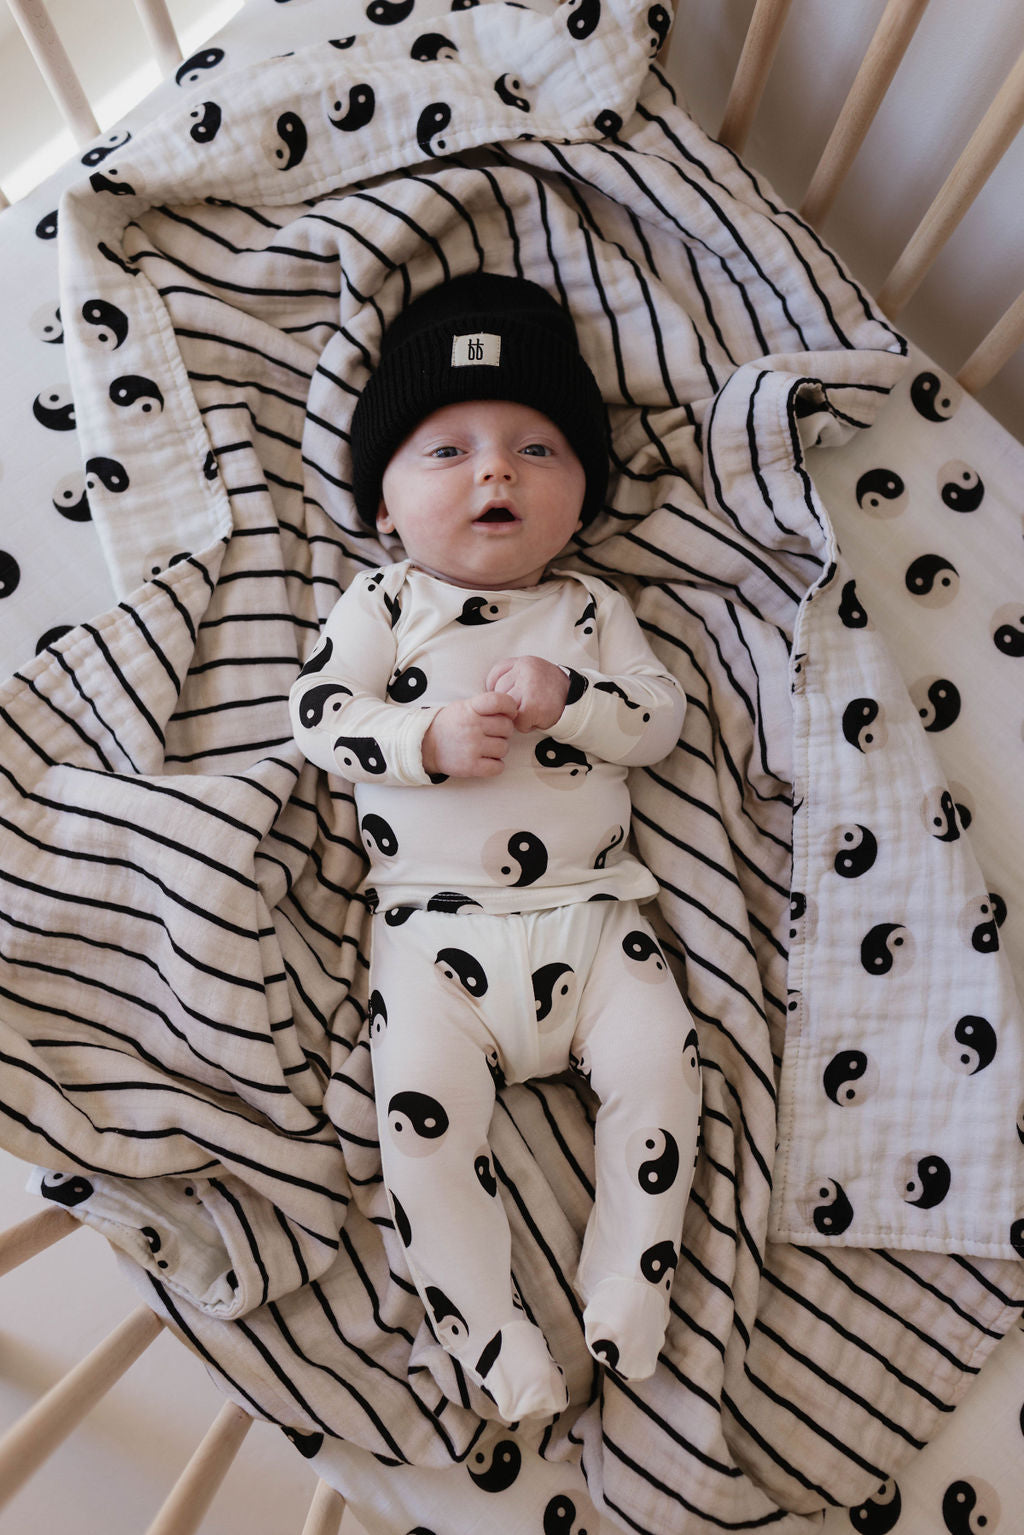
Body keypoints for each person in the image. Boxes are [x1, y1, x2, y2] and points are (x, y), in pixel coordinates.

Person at [290, 273, 701, 1422]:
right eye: (447, 449)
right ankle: (486, 1324)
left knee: (662, 1072)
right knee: (416, 1119)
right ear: (381, 507)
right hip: (433, 934)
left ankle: (630, 1278)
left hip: (593, 914)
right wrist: (418, 733)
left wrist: (570, 697)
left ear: (581, 501)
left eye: (535, 447)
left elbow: (656, 718)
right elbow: (319, 715)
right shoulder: (382, 605)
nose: (495, 471)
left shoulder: (587, 610)